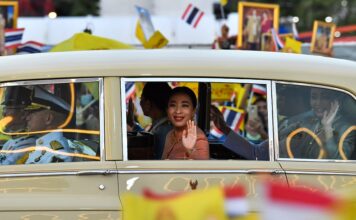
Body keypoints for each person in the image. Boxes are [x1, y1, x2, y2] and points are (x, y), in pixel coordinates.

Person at [279, 87, 355, 160]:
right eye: (314, 97)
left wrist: (328, 129)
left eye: (325, 97)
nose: (317, 103)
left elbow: (339, 162)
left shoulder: (348, 129)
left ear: (336, 102)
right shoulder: (310, 121)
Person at [25, 86, 74, 164]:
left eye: (32, 113)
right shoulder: (44, 147)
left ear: (48, 118)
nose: (27, 118)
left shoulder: (57, 154)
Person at [162, 87, 209, 160]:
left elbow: (202, 169)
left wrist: (190, 150)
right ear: (167, 110)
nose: (178, 111)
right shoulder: (170, 135)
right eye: (173, 105)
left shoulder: (199, 138)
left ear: (193, 111)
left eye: (184, 105)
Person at [0, 86, 36, 165]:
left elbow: (5, 167)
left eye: (9, 108)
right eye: (4, 109)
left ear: (23, 114)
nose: (4, 113)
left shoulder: (28, 144)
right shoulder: (12, 141)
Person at [139, 82, 172, 159]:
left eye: (141, 99)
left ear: (148, 104)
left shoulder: (160, 133)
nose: (140, 103)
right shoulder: (163, 127)